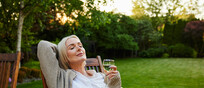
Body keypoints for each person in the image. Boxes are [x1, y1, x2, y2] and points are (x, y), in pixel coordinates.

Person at [37, 35, 121, 88]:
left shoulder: (100, 76)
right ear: (64, 56)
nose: (79, 48)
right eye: (72, 48)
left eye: (80, 45)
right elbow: (43, 45)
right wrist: (60, 50)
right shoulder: (62, 78)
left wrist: (115, 82)